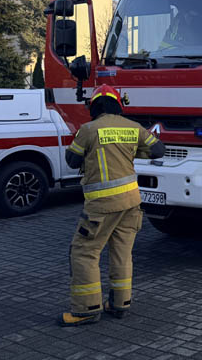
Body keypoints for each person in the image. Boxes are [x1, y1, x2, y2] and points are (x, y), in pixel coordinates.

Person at [58, 85, 164, 327]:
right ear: (118, 105)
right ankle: (119, 304)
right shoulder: (133, 127)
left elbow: (72, 160)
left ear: (94, 106)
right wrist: (131, 152)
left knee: (84, 252)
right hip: (131, 203)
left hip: (102, 205)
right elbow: (159, 149)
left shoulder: (89, 129)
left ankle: (86, 310)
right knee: (122, 253)